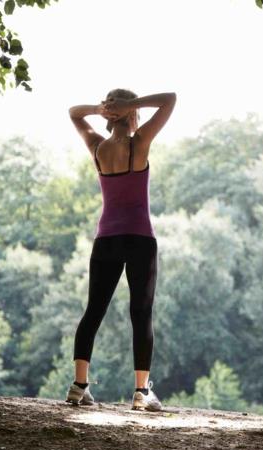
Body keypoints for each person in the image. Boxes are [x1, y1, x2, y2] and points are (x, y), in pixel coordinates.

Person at [65, 89, 176, 410]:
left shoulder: (98, 147)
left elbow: (74, 112)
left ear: (109, 116)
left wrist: (100, 109)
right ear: (132, 116)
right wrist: (130, 106)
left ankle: (78, 385)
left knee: (93, 311)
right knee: (141, 314)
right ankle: (141, 393)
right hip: (140, 239)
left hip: (106, 240)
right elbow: (170, 99)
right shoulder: (138, 143)